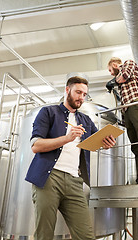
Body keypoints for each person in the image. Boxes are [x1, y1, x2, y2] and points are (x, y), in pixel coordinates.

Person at [25, 75, 116, 240]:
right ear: (67, 90)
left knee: (86, 235)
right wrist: (67, 138)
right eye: (78, 92)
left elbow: (94, 143)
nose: (81, 97)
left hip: (74, 181)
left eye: (84, 94)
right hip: (49, 178)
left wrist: (106, 143)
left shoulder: (86, 120)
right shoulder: (48, 112)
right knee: (44, 234)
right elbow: (36, 146)